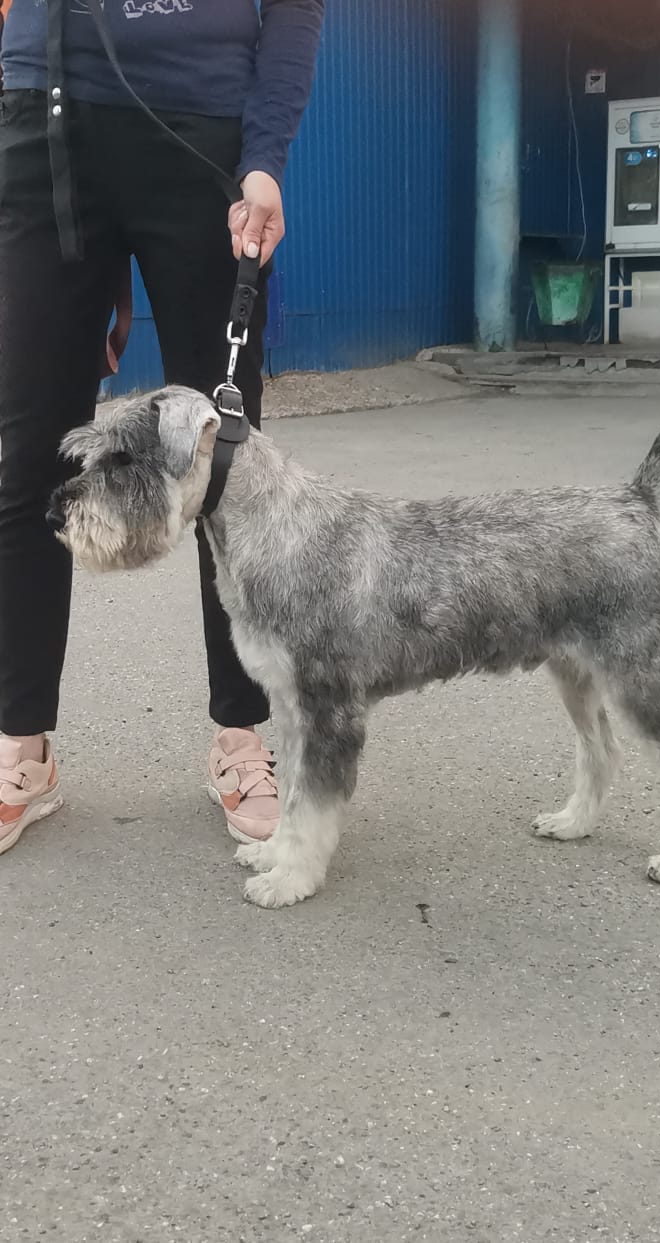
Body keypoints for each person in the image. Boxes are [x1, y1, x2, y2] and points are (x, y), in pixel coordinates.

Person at [0, 0, 325, 855]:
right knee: (30, 451)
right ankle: (21, 744)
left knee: (226, 463)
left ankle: (241, 734)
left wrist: (264, 158)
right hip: (49, 118)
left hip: (201, 129)